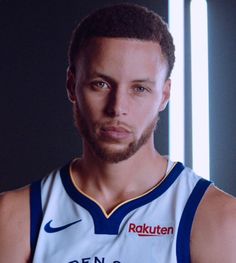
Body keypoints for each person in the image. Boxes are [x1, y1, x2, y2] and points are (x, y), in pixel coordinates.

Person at [0, 3, 236, 263]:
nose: (117, 108)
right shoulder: (14, 217)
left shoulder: (217, 218)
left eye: (140, 89)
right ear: (71, 85)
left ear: (164, 95)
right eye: (100, 84)